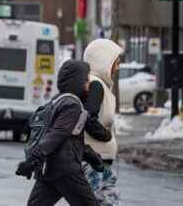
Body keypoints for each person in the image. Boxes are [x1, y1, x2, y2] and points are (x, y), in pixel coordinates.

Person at [16, 60, 101, 206]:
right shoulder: (72, 105)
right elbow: (56, 135)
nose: (89, 84)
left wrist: (93, 158)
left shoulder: (57, 100)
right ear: (77, 81)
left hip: (49, 169)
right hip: (66, 170)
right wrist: (33, 160)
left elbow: (70, 139)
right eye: (86, 79)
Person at [83, 39, 124, 205]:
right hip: (95, 159)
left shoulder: (99, 84)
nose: (118, 67)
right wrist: (106, 136)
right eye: (116, 62)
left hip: (99, 158)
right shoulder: (96, 85)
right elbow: (87, 117)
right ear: (104, 61)